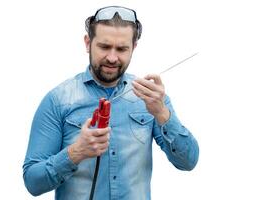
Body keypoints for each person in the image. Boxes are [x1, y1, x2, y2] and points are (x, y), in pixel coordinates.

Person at [23, 5, 199, 200]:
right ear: (88, 43)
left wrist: (163, 114)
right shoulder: (58, 101)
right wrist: (76, 152)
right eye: (104, 47)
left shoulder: (151, 98)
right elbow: (32, 182)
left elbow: (188, 162)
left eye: (122, 49)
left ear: (134, 48)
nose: (112, 57)